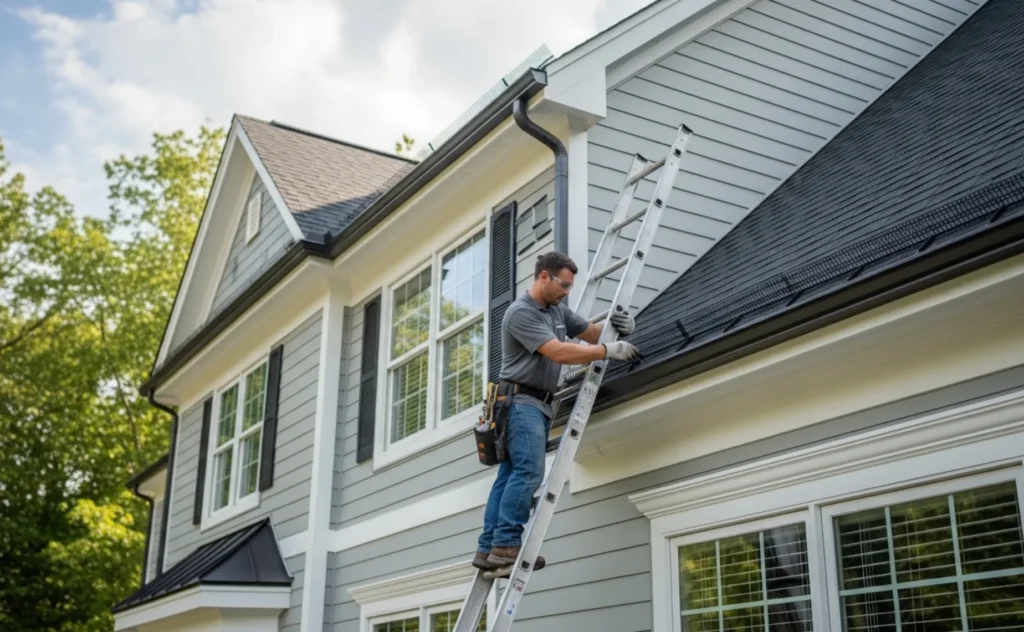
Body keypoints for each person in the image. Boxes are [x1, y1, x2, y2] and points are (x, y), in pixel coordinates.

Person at [474, 251, 639, 574]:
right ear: (543, 277)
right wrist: (608, 351)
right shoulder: (521, 313)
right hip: (520, 403)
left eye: (570, 287)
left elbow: (592, 334)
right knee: (529, 473)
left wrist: (618, 328)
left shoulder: (558, 311)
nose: (567, 291)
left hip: (535, 404)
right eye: (563, 284)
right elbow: (560, 352)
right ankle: (506, 546)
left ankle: (488, 549)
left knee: (509, 475)